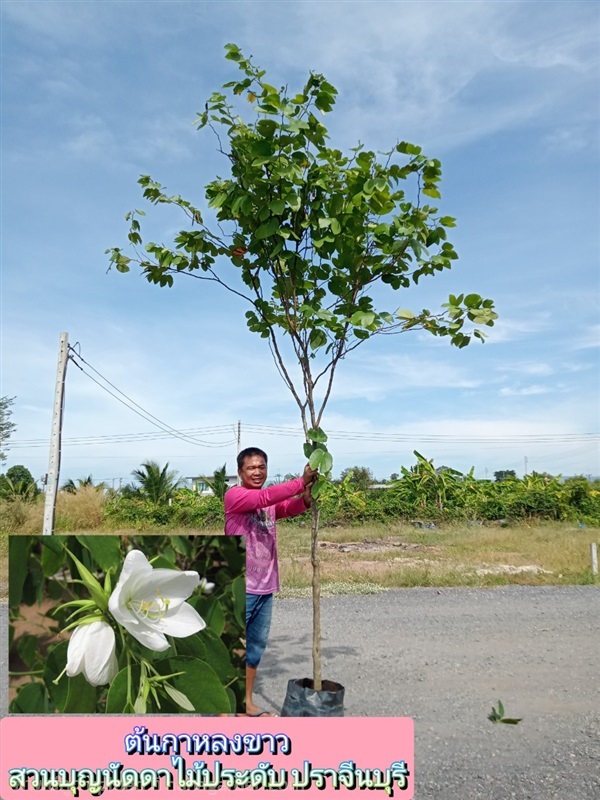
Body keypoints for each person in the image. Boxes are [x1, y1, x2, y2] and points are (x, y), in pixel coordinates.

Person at [225, 446, 317, 716]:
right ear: (240, 471)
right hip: (245, 585)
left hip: (266, 586)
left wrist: (306, 498)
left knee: (254, 648)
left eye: (261, 467)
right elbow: (266, 496)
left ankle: (246, 703)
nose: (257, 472)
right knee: (235, 646)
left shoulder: (267, 503)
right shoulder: (235, 496)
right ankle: (225, 704)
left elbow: (286, 507)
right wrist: (300, 482)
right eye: (251, 467)